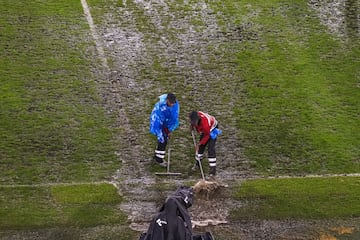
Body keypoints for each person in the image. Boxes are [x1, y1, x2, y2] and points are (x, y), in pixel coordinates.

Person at [150, 93, 180, 166]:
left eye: (173, 103)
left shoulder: (175, 106)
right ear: (167, 100)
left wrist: (169, 129)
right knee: (162, 139)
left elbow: (173, 118)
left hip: (166, 122)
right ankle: (159, 159)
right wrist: (165, 130)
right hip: (158, 122)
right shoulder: (160, 107)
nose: (172, 105)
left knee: (164, 138)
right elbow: (159, 120)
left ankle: (157, 155)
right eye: (170, 103)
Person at [189, 111, 221, 177]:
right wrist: (192, 126)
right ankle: (198, 164)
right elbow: (193, 123)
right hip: (205, 131)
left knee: (210, 149)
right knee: (200, 149)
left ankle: (212, 171)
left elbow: (207, 135)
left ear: (198, 119)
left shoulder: (205, 124)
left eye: (194, 122)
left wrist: (200, 143)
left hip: (212, 129)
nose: (194, 124)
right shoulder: (195, 117)